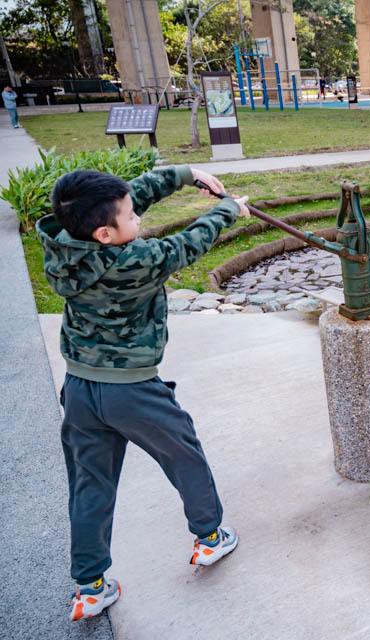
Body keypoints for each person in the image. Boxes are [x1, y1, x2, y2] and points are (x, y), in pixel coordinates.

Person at [36, 165, 250, 621]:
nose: (139, 220)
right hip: (131, 389)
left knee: (90, 483)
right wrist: (230, 209)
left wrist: (184, 175)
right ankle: (210, 538)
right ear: (105, 233)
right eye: (132, 218)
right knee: (184, 454)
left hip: (78, 389)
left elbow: (122, 202)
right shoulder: (135, 261)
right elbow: (186, 244)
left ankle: (91, 586)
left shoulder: (60, 243)